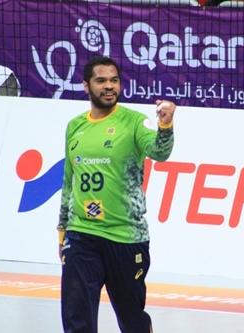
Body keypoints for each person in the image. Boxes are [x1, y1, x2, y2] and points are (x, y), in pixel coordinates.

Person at [57, 56, 175, 333]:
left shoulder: (135, 122)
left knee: (132, 320)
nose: (109, 86)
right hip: (81, 233)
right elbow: (68, 179)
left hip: (125, 237)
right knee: (77, 316)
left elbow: (160, 153)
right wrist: (62, 228)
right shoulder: (75, 126)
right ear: (86, 86)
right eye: (101, 81)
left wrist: (166, 126)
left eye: (114, 80)